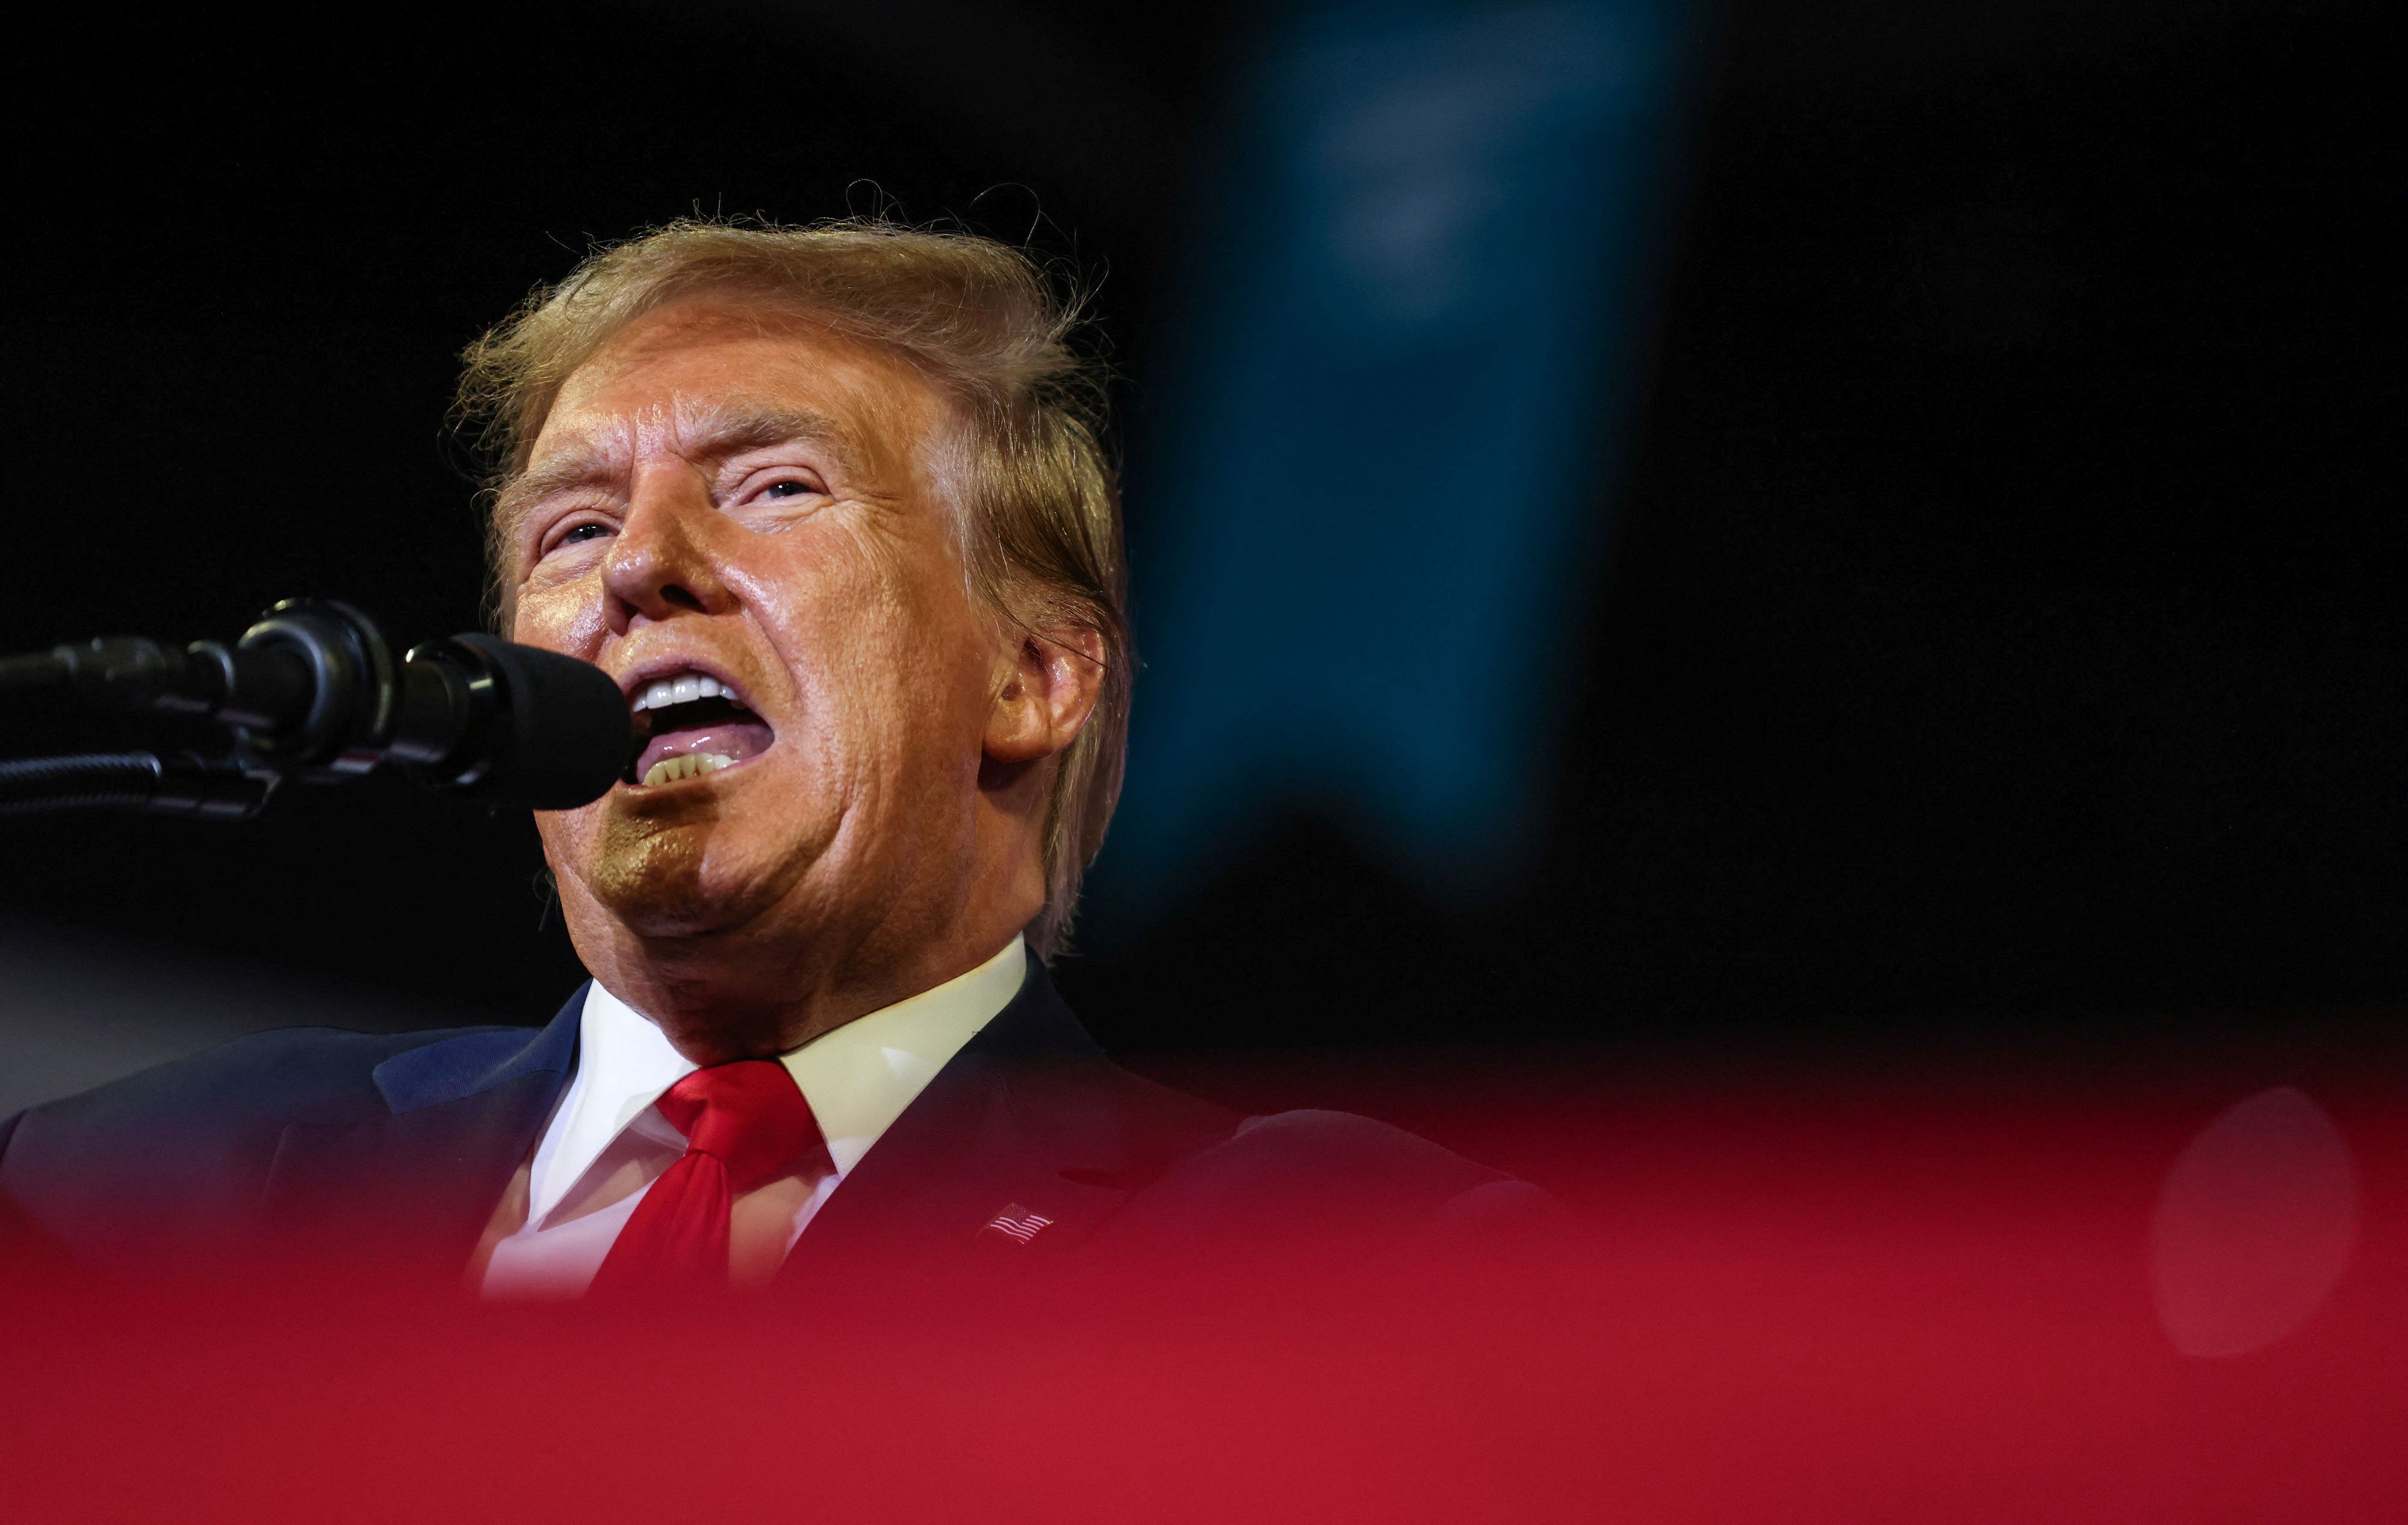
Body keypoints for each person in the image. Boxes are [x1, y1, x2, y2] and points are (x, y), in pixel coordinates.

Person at [0, 221, 1551, 1297]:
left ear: (1032, 676)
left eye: (776, 487)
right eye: (574, 527)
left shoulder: (1340, 1255)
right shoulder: (118, 1199)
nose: (637, 570)